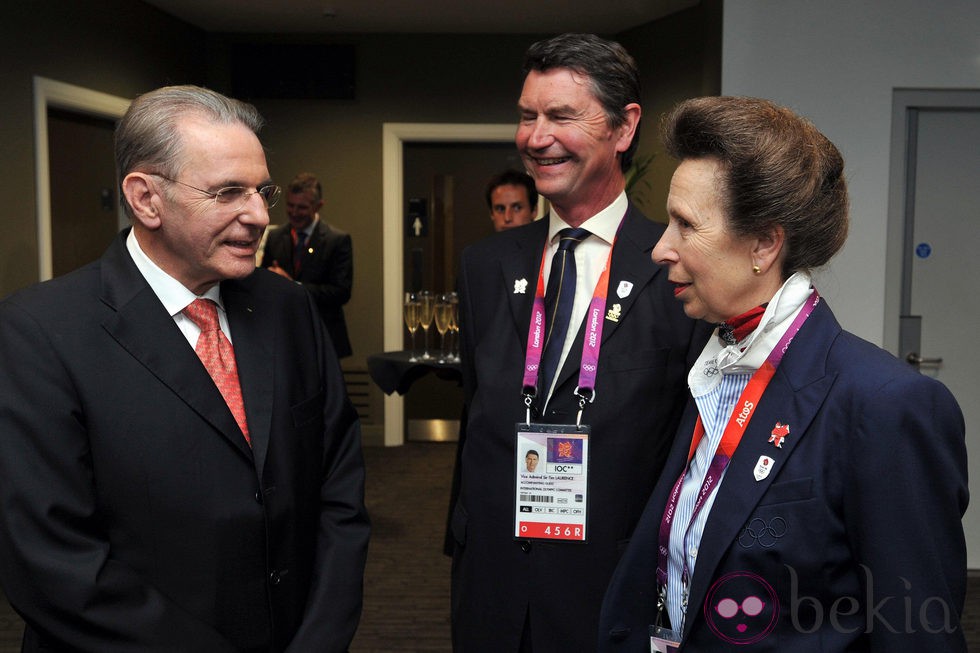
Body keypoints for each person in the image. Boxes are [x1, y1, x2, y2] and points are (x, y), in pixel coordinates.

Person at [0, 85, 370, 652]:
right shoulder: (39, 332)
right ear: (146, 199)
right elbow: (53, 560)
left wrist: (320, 638)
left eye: (260, 191)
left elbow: (339, 491)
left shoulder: (287, 308)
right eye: (228, 193)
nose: (257, 216)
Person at [599, 96, 968, 652]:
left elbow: (917, 632)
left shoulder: (885, 403)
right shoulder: (712, 365)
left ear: (764, 244)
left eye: (685, 225)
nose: (659, 248)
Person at [451, 33, 709, 652]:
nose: (536, 138)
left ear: (624, 128)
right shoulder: (484, 266)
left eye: (561, 116)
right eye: (527, 116)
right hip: (491, 584)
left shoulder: (675, 269)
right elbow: (477, 416)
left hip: (611, 588)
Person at [261, 172, 353, 358]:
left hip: (324, 335)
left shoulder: (338, 240)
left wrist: (293, 286)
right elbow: (263, 281)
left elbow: (341, 292)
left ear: (318, 206)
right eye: (290, 205)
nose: (294, 213)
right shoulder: (275, 236)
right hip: (284, 336)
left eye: (301, 207)